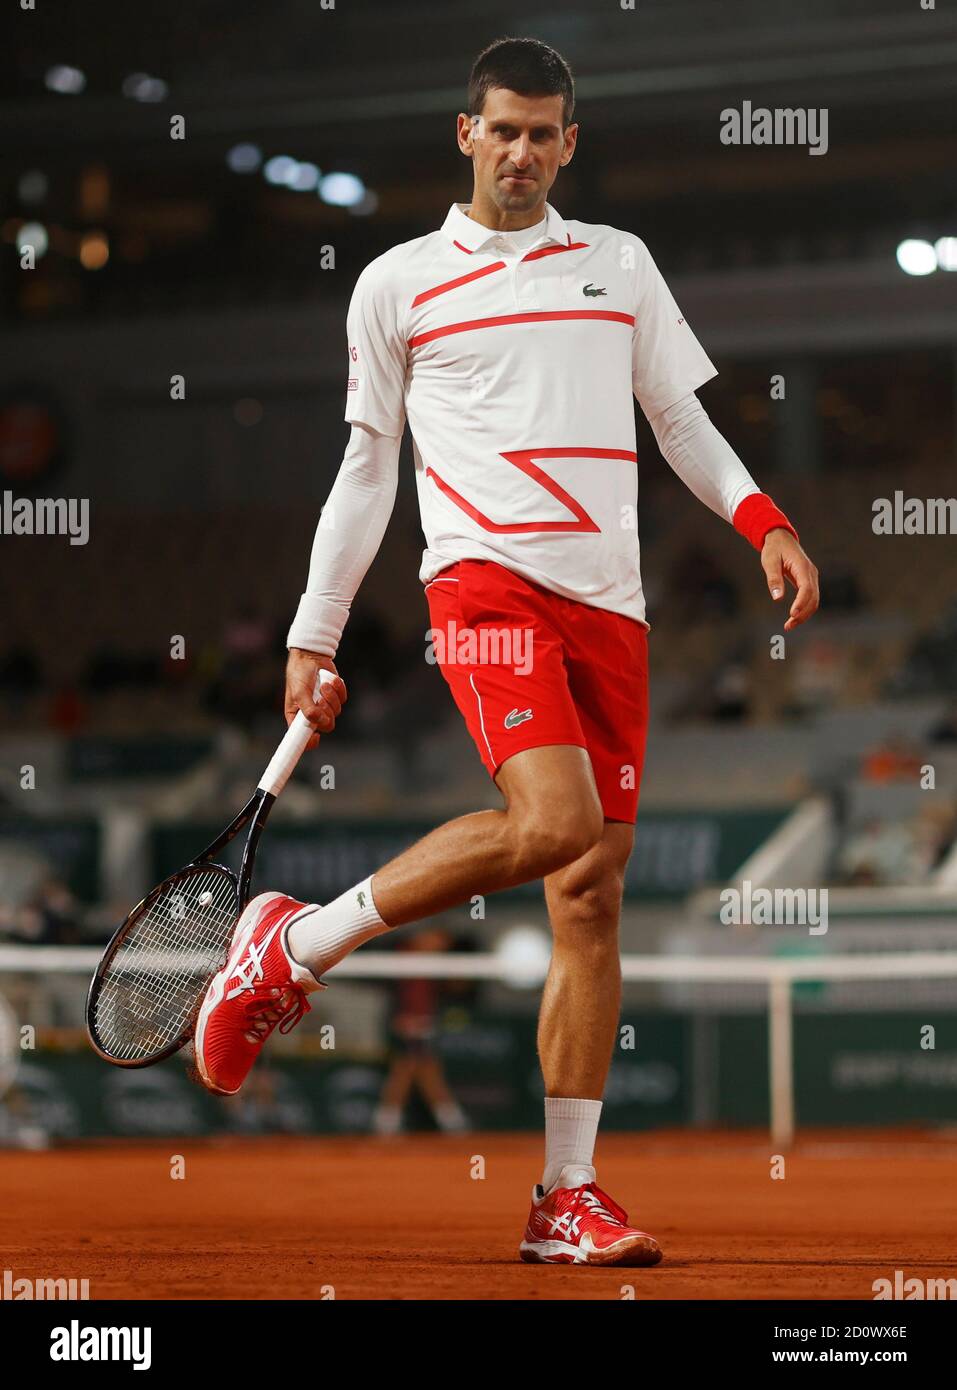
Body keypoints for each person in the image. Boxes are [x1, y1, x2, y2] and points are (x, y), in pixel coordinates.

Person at [194, 36, 819, 1266]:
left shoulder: (620, 266)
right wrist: (314, 629)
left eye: (546, 133)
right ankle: (294, 943)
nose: (524, 151)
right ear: (465, 133)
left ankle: (563, 1197)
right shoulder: (396, 284)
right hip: (484, 583)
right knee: (552, 825)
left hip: (613, 608)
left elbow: (678, 416)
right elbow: (367, 470)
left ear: (569, 143)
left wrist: (764, 518)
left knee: (589, 893)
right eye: (505, 129)